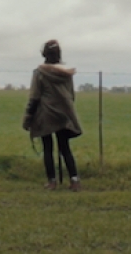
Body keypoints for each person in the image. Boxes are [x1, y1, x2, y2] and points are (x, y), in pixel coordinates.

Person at [22, 39, 83, 191]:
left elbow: (34, 97)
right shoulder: (66, 74)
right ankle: (74, 180)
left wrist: (28, 118)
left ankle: (52, 181)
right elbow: (71, 95)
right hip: (64, 113)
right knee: (65, 148)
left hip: (46, 114)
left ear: (44, 54)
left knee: (47, 148)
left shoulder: (39, 73)